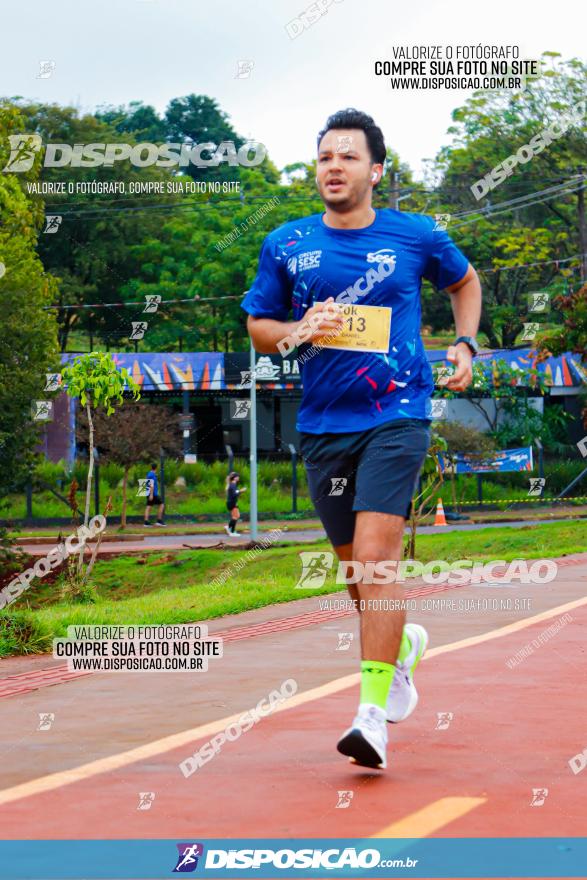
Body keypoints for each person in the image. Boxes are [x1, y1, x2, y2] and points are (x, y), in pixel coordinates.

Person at [243, 109, 481, 769]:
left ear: (375, 170)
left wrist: (464, 342)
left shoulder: (416, 235)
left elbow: (464, 281)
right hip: (323, 426)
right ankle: (399, 650)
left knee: (377, 560)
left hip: (397, 415)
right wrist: (301, 327)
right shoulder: (286, 244)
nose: (333, 167)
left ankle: (369, 716)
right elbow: (260, 327)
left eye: (347, 157)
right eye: (324, 157)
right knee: (357, 572)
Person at [224, 471, 246, 536]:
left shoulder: (232, 484)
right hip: (232, 502)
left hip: (231, 502)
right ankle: (231, 530)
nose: (238, 478)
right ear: (235, 478)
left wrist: (239, 491)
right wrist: (241, 491)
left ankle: (230, 529)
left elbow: (234, 493)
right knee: (235, 516)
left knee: (236, 516)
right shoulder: (233, 484)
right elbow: (234, 494)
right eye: (237, 476)